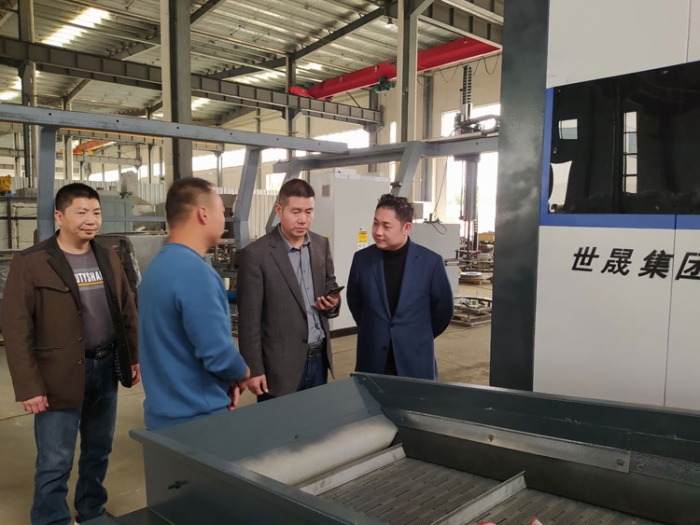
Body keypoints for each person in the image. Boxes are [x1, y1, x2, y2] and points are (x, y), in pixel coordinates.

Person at [2, 183, 140, 525]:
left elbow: (126, 309)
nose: (91, 220)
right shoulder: (32, 262)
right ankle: (51, 519)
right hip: (58, 375)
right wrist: (29, 386)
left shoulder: (107, 256)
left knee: (99, 450)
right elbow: (16, 329)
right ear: (59, 216)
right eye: (81, 212)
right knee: (55, 460)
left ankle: (90, 509)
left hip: (105, 367)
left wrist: (132, 357)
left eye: (96, 212)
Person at [138, 177, 250, 430]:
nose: (224, 218)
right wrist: (241, 372)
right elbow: (217, 353)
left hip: (160, 418)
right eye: (222, 211)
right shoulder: (196, 273)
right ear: (203, 213)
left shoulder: (156, 268)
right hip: (197, 421)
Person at [237, 178, 340, 401]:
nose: (303, 219)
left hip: (318, 359)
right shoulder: (256, 255)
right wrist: (254, 369)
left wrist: (332, 303)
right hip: (279, 367)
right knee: (279, 423)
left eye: (309, 211)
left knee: (316, 421)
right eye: (296, 211)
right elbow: (249, 321)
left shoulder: (321, 245)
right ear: (279, 210)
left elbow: (330, 285)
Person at [347, 194, 454, 379]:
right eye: (375, 223)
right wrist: (376, 329)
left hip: (415, 359)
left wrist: (416, 335)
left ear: (406, 228)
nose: (378, 231)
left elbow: (443, 311)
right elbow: (355, 302)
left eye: (386, 226)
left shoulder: (430, 263)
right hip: (372, 359)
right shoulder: (362, 260)